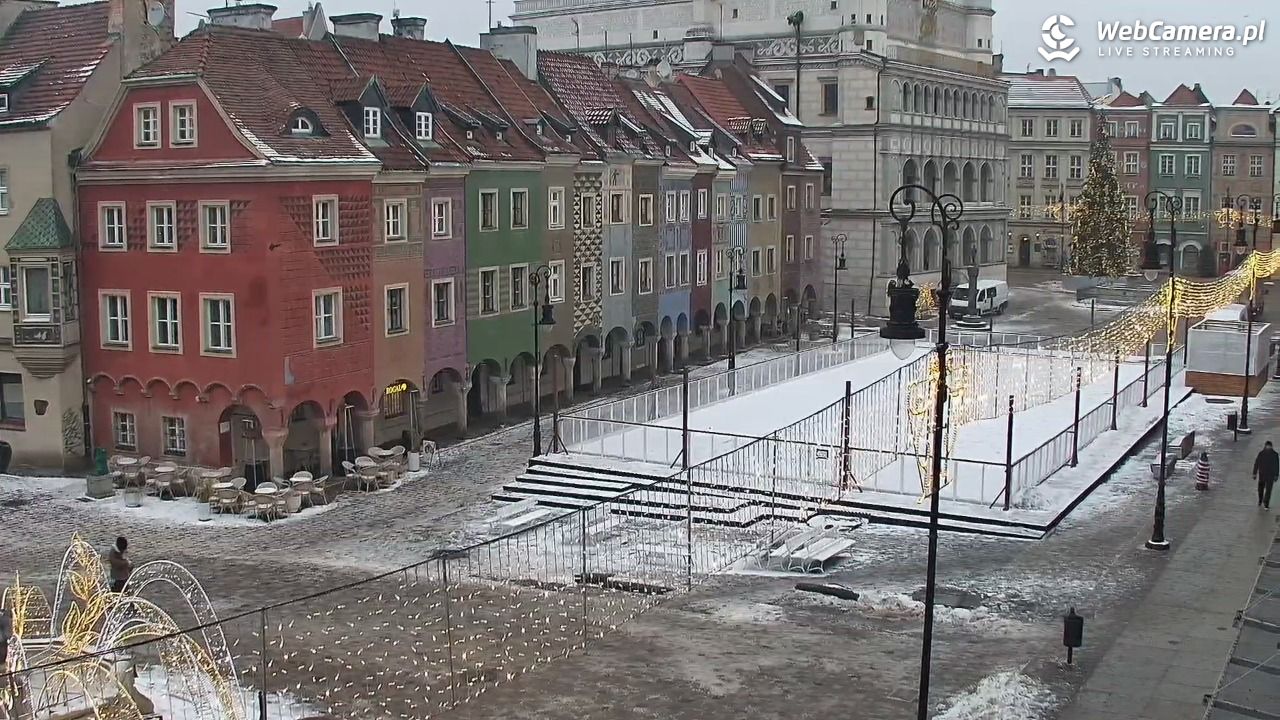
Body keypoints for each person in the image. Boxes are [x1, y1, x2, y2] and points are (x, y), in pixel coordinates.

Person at [1253, 441, 1279, 509]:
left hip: (1270, 475)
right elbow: (1256, 463)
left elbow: (1277, 465)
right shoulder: (1261, 454)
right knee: (1260, 489)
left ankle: (1266, 503)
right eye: (1267, 446)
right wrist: (1254, 473)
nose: (1268, 447)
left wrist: (1276, 475)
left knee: (1268, 490)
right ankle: (1260, 499)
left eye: (1269, 446)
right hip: (1262, 475)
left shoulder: (1275, 454)